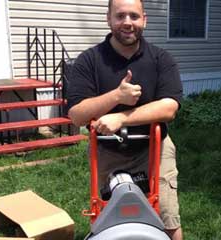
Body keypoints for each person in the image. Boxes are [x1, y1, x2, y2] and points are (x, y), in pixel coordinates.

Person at [67, 0, 183, 239]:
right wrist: (116, 96)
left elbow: (169, 107)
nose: (127, 22)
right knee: (107, 219)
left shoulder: (161, 59)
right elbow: (76, 115)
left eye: (134, 16)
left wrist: (121, 117)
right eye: (120, 16)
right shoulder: (89, 60)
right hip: (106, 152)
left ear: (144, 20)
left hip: (154, 149)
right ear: (108, 19)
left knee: (168, 219)